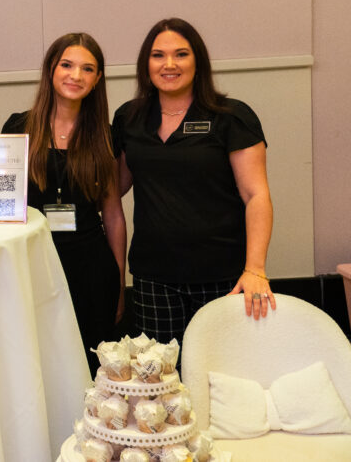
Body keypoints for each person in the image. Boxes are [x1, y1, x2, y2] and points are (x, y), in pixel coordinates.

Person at [112, 17, 274, 347]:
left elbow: (256, 194)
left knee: (220, 370)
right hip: (153, 276)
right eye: (158, 55)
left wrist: (255, 269)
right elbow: (114, 187)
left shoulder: (230, 116)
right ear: (146, 64)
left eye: (181, 54)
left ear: (197, 62)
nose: (169, 64)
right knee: (159, 377)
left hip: (222, 275)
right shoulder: (129, 118)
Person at [2, 33, 126, 376]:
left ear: (98, 78)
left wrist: (118, 282)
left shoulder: (105, 135)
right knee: (38, 362)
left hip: (90, 266)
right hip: (33, 260)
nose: (76, 76)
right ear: (51, 70)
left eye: (88, 69)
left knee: (90, 364)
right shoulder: (19, 127)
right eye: (67, 65)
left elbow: (113, 214)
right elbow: (1, 200)